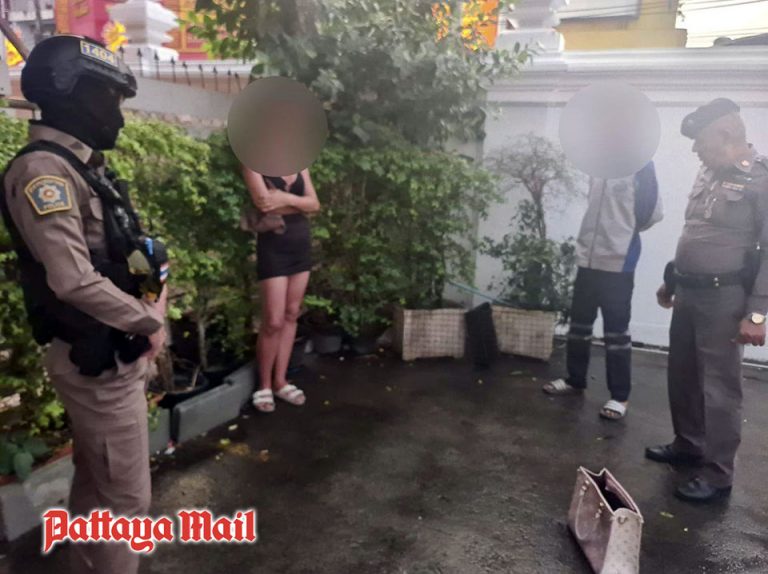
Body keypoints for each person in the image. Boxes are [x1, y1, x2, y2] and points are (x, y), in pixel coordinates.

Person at [0, 36, 168, 573]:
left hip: (112, 350)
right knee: (127, 505)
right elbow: (72, 281)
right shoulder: (44, 173)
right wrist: (150, 322)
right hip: (94, 357)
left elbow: (122, 251)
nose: (117, 114)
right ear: (73, 92)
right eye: (110, 98)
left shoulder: (83, 165)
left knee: (99, 485)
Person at [647, 98, 768, 503]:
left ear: (726, 134)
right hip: (688, 291)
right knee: (682, 375)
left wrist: (757, 314)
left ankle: (718, 474)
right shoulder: (708, 172)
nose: (695, 150)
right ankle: (689, 444)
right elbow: (696, 231)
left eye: (700, 141)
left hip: (724, 298)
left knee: (719, 387)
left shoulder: (760, 180)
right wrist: (672, 279)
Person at [543, 161, 663, 420]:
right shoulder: (598, 162)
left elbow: (652, 213)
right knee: (579, 326)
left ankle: (619, 396)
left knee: (616, 332)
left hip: (618, 261)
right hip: (587, 258)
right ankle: (575, 379)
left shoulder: (641, 165)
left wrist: (621, 229)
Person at [243, 166, 320, 413]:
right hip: (273, 246)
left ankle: (280, 381)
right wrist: (300, 204)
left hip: (301, 243)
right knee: (273, 321)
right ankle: (264, 385)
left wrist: (285, 198)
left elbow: (315, 204)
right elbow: (265, 205)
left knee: (291, 313)